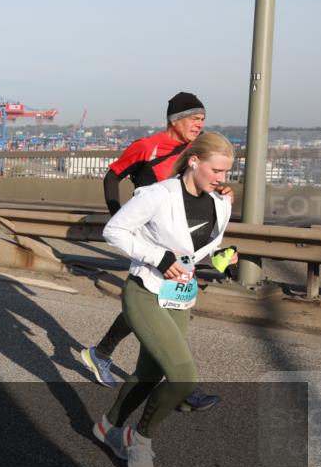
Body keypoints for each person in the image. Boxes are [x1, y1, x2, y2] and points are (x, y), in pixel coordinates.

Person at [94, 133, 236, 467]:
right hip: (145, 291)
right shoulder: (156, 195)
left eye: (227, 172)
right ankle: (139, 438)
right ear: (193, 162)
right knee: (183, 373)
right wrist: (158, 256)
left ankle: (107, 426)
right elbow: (114, 231)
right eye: (216, 170)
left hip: (180, 295)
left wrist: (222, 259)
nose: (222, 179)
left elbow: (198, 248)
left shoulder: (222, 202)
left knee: (151, 374)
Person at [80, 92, 224, 413]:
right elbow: (112, 175)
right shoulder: (147, 147)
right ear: (175, 120)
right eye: (194, 118)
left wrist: (219, 190)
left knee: (156, 302)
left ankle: (101, 354)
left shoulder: (193, 153)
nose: (200, 123)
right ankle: (183, 383)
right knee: (158, 304)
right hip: (150, 242)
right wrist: (118, 215)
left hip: (178, 242)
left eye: (202, 119)